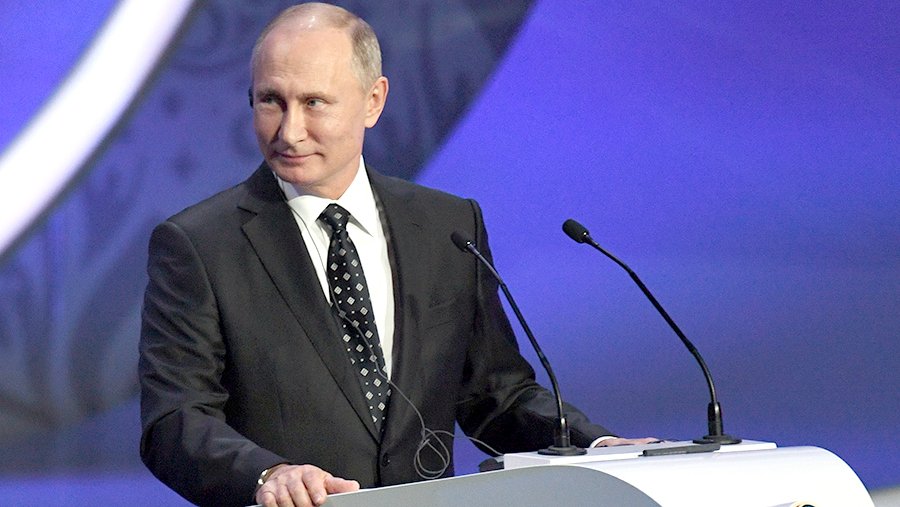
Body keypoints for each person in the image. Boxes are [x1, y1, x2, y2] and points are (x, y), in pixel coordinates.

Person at [138, 3, 655, 506]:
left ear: (373, 101)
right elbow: (175, 420)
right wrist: (267, 475)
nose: (289, 131)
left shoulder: (448, 226)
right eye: (271, 101)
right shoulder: (199, 244)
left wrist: (594, 446)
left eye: (314, 103)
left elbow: (495, 395)